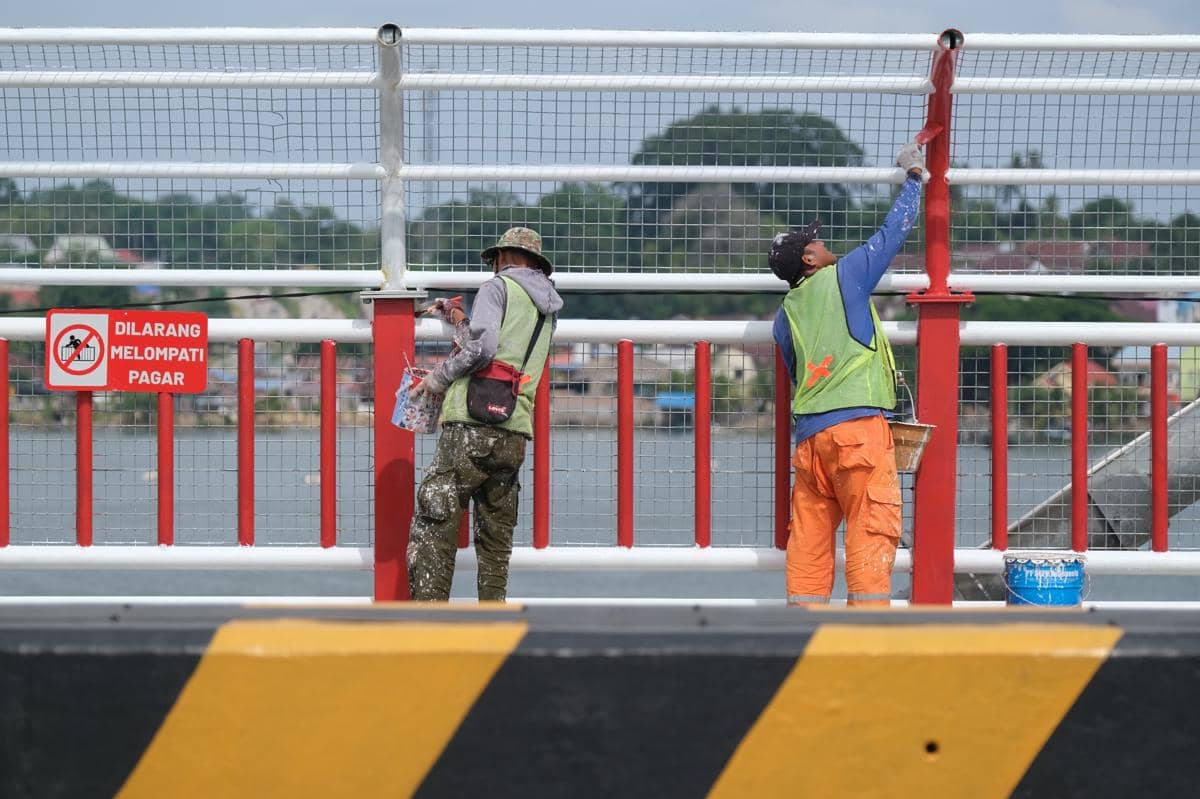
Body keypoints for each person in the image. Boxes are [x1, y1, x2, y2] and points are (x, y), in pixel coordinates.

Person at [770, 141, 925, 607]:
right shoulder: (846, 275)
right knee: (871, 527)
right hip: (857, 432)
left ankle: (804, 632)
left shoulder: (785, 315)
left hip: (810, 440)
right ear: (809, 260)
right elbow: (891, 235)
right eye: (815, 242)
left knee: (810, 540)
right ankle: (867, 639)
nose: (823, 242)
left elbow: (796, 369)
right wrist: (914, 178)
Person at [406, 226, 563, 601]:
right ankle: (492, 622)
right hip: (514, 429)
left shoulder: (497, 287)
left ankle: (427, 624)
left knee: (434, 521)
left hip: (471, 424)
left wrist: (437, 379)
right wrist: (459, 319)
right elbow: (498, 347)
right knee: (495, 540)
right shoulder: (548, 308)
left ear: (503, 258)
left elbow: (484, 350)